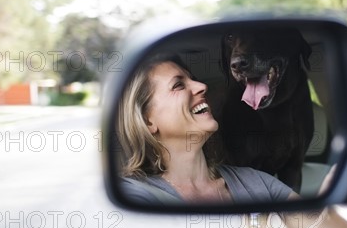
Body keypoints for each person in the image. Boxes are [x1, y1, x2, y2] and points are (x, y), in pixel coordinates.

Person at [116, 53, 299, 205]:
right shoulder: (134, 195)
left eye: (193, 79)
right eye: (178, 85)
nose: (202, 86)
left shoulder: (257, 182)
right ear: (148, 122)